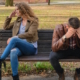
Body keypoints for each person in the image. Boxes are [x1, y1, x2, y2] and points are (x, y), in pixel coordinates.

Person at [1, 2, 39, 80]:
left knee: (14, 39)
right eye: (15, 10)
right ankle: (15, 77)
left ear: (23, 10)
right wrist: (9, 17)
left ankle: (1, 59)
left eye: (17, 9)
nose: (16, 11)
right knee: (13, 52)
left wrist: (16, 37)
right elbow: (5, 27)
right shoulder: (18, 21)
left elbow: (30, 34)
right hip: (20, 47)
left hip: (30, 47)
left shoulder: (33, 20)